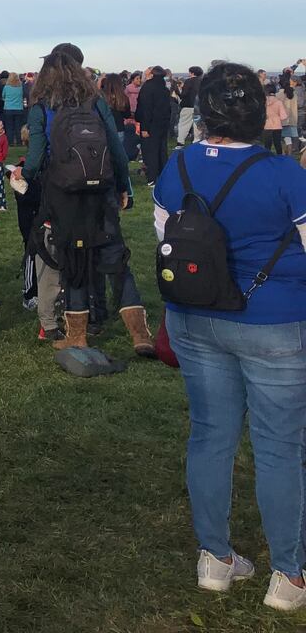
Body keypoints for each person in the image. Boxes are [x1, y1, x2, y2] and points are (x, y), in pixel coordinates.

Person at [156, 63, 306, 613]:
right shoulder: (287, 175)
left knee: (211, 435)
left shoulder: (177, 168)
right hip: (274, 321)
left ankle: (215, 558)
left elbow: (166, 240)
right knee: (279, 448)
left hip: (194, 318)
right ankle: (289, 573)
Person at [20, 50, 146, 354]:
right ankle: (140, 334)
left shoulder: (41, 107)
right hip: (101, 189)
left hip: (64, 193)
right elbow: (116, 149)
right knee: (116, 259)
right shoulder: (95, 102)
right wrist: (123, 185)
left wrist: (23, 176)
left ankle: (77, 335)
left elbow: (36, 156)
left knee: (74, 261)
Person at [137, 66, 175, 183]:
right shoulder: (164, 88)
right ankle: (163, 174)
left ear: (151, 75)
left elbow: (145, 108)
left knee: (150, 151)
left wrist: (144, 127)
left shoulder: (147, 87)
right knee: (162, 150)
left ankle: (151, 178)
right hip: (163, 122)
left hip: (150, 124)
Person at [178, 67, 204, 146]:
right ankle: (196, 141)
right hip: (198, 107)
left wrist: (179, 91)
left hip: (187, 105)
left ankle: (180, 142)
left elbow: (184, 94)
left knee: (184, 124)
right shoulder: (203, 82)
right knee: (197, 126)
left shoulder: (188, 81)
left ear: (192, 73)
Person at [1, 71, 27, 146]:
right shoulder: (21, 87)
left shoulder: (6, 87)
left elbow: (3, 96)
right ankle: (19, 141)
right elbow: (23, 96)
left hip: (8, 109)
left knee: (9, 127)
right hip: (19, 109)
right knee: (18, 127)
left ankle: (10, 142)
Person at [263, 84, 287, 155]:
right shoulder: (279, 102)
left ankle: (267, 159)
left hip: (267, 125)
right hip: (277, 125)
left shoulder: (263, 102)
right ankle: (280, 159)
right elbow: (283, 116)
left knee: (267, 145)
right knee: (277, 144)